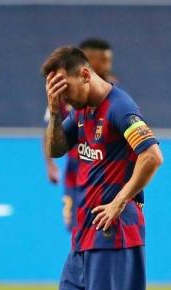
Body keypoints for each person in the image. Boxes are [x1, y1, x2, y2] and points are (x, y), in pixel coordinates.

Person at [42, 46, 163, 290]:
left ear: (85, 74)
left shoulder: (119, 108)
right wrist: (56, 112)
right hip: (85, 231)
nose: (65, 98)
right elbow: (56, 149)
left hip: (112, 230)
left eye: (66, 90)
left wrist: (119, 202)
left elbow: (152, 156)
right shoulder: (80, 111)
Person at [42, 38, 116, 230]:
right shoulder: (63, 91)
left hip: (104, 169)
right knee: (76, 224)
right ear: (89, 62)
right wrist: (50, 164)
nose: (108, 65)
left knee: (101, 226)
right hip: (76, 168)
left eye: (109, 60)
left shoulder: (114, 94)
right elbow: (50, 128)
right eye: (104, 60)